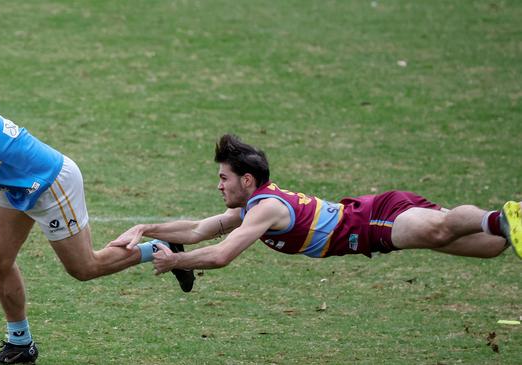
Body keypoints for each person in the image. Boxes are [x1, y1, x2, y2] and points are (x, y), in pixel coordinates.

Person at [0, 60, 194, 365]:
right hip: (16, 185)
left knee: (85, 267)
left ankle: (160, 248)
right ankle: (20, 345)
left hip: (49, 182)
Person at [110, 134, 522, 283]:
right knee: (493, 247)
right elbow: (199, 229)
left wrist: (174, 265)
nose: (218, 185)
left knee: (441, 230)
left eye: (224, 178)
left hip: (374, 221)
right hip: (374, 223)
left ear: (246, 181)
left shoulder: (264, 209)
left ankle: (503, 215)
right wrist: (147, 228)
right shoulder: (254, 207)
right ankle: (504, 226)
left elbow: (220, 254)